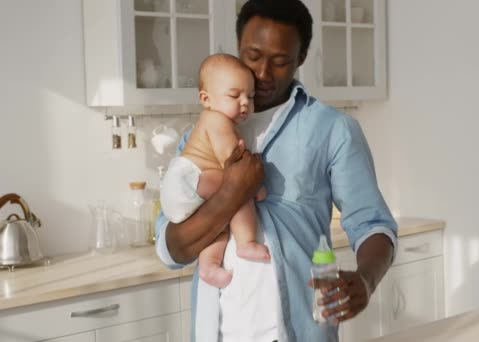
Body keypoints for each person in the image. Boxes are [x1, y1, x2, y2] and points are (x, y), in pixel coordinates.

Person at [155, 0, 397, 341]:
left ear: (300, 58)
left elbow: (373, 224)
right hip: (218, 331)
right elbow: (171, 248)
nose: (264, 73)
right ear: (239, 47)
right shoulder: (199, 135)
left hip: (300, 331)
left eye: (280, 61)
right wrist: (231, 192)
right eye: (253, 56)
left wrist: (366, 279)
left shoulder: (332, 129)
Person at [160, 53, 269, 289]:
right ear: (206, 99)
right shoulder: (217, 121)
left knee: (219, 223)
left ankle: (210, 264)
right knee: (238, 192)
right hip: (190, 179)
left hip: (186, 189)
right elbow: (232, 163)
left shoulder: (214, 120)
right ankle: (246, 243)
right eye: (234, 95)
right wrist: (255, 187)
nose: (244, 103)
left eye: (250, 97)